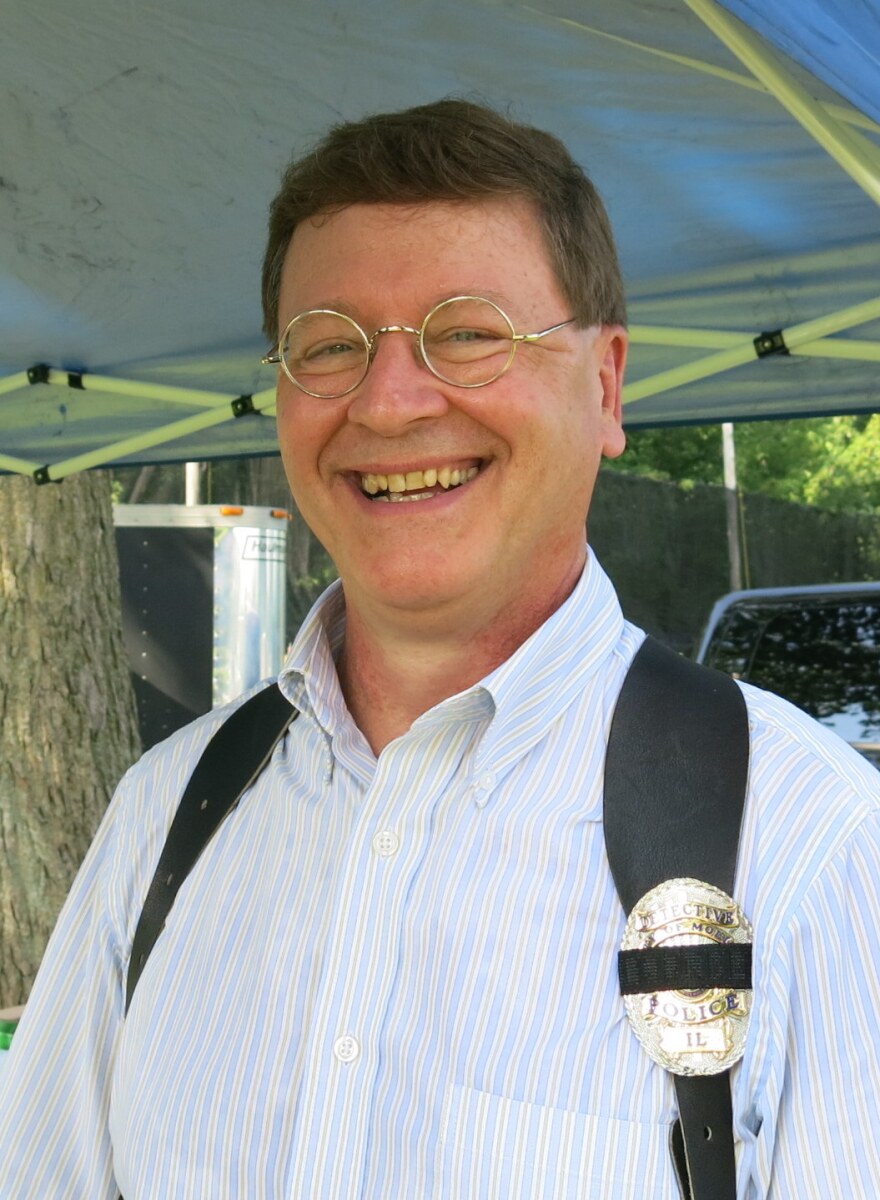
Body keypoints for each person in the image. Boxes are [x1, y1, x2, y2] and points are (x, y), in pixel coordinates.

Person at [1, 98, 878, 1199]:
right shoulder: (165, 817)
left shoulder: (812, 845)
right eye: (330, 346)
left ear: (604, 386)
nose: (390, 400)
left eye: (467, 332)